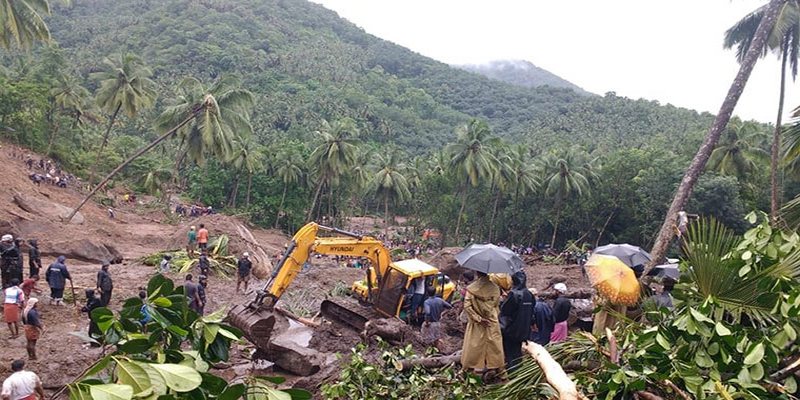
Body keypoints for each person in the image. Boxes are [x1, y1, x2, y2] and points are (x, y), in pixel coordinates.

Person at [461, 271, 505, 377]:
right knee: (494, 346)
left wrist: (478, 319)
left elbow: (467, 306)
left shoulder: (471, 289)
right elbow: (496, 304)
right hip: (491, 321)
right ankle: (496, 369)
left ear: (477, 273)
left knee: (474, 346)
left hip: (477, 324)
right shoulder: (495, 288)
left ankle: (474, 369)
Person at [500, 271, 535, 370]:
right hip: (524, 329)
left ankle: (512, 374)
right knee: (517, 352)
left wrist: (503, 302)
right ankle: (518, 371)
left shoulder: (514, 294)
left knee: (510, 354)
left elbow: (505, 312)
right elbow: (532, 311)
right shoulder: (529, 294)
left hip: (511, 330)